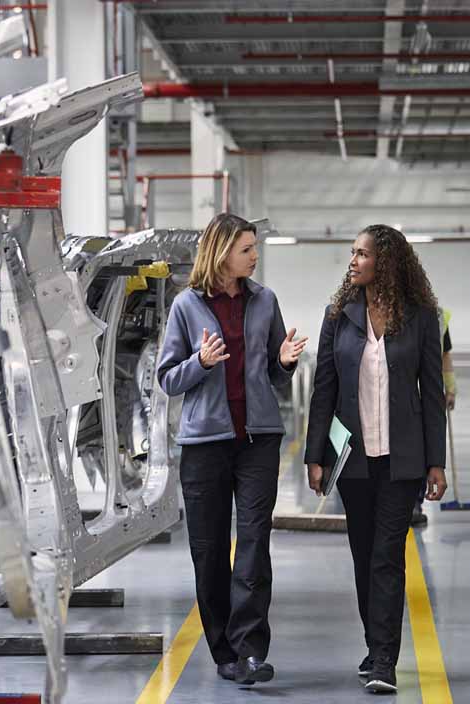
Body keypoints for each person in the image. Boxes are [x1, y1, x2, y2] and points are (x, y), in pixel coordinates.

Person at [156, 213, 307, 686]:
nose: (255, 255)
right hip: (205, 444)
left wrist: (284, 363)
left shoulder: (265, 301)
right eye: (247, 248)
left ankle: (251, 651)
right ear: (222, 253)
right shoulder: (186, 306)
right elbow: (167, 378)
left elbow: (276, 375)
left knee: (255, 544)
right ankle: (223, 651)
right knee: (210, 550)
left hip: (258, 439)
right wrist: (199, 362)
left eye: (254, 248)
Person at [304, 224, 448, 694]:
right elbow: (324, 388)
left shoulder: (422, 317)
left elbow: (431, 394)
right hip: (354, 460)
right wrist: (315, 456)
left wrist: (436, 462)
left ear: (385, 261)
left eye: (362, 253)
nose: (353, 260)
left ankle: (385, 659)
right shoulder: (338, 316)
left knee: (388, 556)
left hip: (403, 459)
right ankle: (374, 646)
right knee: (364, 557)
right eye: (352, 253)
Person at [411, 309, 455, 526]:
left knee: (425, 447)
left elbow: (445, 355)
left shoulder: (437, 316)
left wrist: (451, 388)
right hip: (408, 389)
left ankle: (416, 502)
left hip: (429, 389)